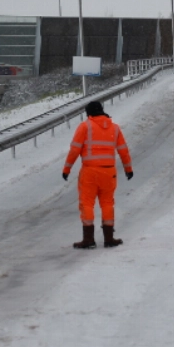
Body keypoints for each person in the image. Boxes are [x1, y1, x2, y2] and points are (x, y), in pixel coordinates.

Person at [63, 100, 133, 248]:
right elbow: (123, 150)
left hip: (90, 172)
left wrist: (66, 169)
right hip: (109, 172)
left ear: (88, 113)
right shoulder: (115, 128)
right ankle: (109, 239)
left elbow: (74, 150)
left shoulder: (85, 127)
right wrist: (128, 169)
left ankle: (88, 239)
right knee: (107, 203)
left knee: (87, 203)